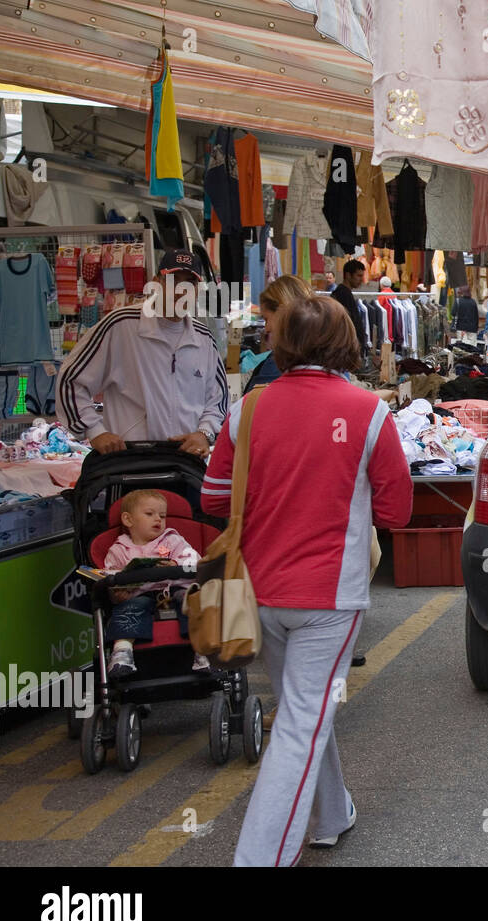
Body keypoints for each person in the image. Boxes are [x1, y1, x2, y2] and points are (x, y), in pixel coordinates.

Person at [205, 295, 412, 866]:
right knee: (300, 723)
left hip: (258, 592)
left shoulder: (247, 409)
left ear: (281, 341)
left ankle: (329, 815)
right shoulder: (369, 411)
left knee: (301, 709)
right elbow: (397, 514)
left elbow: (213, 496)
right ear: (346, 342)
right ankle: (258, 859)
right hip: (330, 594)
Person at [57, 248, 227, 458]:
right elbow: (70, 380)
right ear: (157, 282)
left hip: (185, 465)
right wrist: (95, 431)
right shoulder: (120, 325)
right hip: (130, 462)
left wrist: (204, 433)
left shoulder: (204, 339)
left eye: (189, 283)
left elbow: (218, 399)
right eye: (173, 280)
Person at [103, 489, 205, 677]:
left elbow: (195, 562)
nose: (158, 519)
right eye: (150, 514)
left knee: (193, 601)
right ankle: (122, 651)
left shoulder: (173, 541)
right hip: (138, 594)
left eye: (162, 516)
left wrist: (176, 563)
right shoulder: (119, 550)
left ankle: (203, 649)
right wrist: (116, 592)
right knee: (129, 608)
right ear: (128, 520)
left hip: (174, 589)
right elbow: (109, 575)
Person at [245, 275, 311, 394]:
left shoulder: (280, 363)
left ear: (282, 314)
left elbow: (251, 407)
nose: (267, 328)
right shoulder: (325, 358)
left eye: (267, 319)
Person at [329, 259, 367, 356]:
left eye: (362, 276)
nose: (361, 280)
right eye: (358, 276)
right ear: (348, 275)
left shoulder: (344, 292)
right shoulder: (343, 293)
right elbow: (349, 322)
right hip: (346, 349)